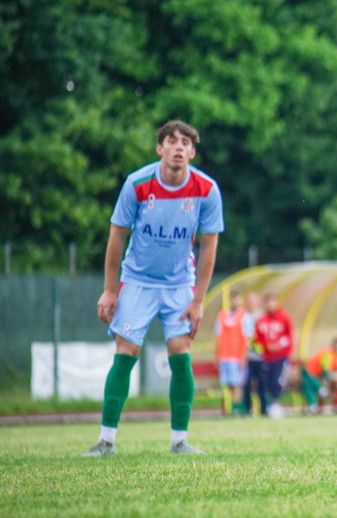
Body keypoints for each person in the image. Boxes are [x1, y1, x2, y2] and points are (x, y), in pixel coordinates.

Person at [86, 120, 223, 456]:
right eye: (172, 141)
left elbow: (209, 247)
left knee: (180, 351)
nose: (179, 147)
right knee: (126, 351)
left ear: (192, 152)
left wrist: (198, 300)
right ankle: (106, 440)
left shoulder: (206, 189)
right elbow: (116, 237)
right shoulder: (137, 184)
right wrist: (109, 290)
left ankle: (180, 441)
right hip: (138, 280)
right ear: (159, 148)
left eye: (185, 143)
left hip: (179, 284)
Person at [215, 290, 255, 416]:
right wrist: (217, 355)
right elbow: (218, 337)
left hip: (237, 356)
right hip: (224, 356)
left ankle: (236, 408)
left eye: (237, 299)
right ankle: (226, 409)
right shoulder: (222, 315)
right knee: (225, 384)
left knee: (237, 384)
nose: (235, 302)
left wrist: (244, 356)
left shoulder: (245, 317)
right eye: (233, 299)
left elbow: (248, 339)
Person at [255, 292, 294, 419]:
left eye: (272, 301)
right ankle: (268, 407)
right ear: (264, 304)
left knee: (277, 381)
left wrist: (279, 345)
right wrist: (266, 346)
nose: (270, 304)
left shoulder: (284, 318)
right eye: (267, 302)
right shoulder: (261, 321)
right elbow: (258, 339)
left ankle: (277, 405)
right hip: (266, 358)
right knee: (267, 382)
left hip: (281, 357)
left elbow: (289, 337)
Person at [300, 336, 337, 414]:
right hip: (309, 371)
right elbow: (325, 368)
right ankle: (320, 390)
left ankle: (313, 404)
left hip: (316, 375)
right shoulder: (328, 353)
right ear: (333, 345)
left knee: (307, 384)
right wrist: (330, 377)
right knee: (307, 381)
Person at [242, 292, 268, 416]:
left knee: (262, 383)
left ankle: (264, 409)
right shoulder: (243, 316)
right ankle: (247, 409)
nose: (251, 303)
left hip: (261, 357)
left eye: (253, 301)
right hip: (247, 357)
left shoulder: (263, 317)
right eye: (249, 301)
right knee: (246, 383)